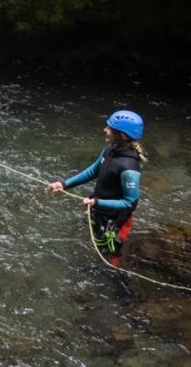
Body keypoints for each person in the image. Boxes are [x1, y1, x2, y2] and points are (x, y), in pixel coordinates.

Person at [49, 110, 146, 267]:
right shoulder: (110, 149)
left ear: (122, 135)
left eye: (110, 128)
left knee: (111, 255)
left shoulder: (129, 168)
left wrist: (97, 202)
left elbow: (130, 203)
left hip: (115, 220)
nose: (105, 130)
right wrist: (65, 184)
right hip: (99, 209)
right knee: (95, 242)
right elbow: (93, 171)